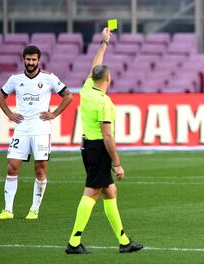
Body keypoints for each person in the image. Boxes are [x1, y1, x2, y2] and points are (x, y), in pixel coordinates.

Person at [65, 27, 143, 254]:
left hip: (87, 145)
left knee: (110, 191)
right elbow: (107, 135)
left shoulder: (86, 89)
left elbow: (94, 65)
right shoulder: (105, 102)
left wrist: (104, 42)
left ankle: (124, 241)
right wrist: (117, 162)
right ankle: (73, 242)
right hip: (99, 148)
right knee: (91, 192)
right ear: (108, 78)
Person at [0, 45, 73, 220]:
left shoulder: (49, 78)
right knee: (12, 166)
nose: (31, 62)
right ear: (23, 59)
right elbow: (0, 96)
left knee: (40, 169)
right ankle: (8, 210)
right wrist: (9, 113)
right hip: (21, 129)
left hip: (40, 129)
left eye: (34, 59)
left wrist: (54, 113)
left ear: (39, 60)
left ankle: (34, 210)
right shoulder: (15, 79)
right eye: (28, 59)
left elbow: (68, 96)